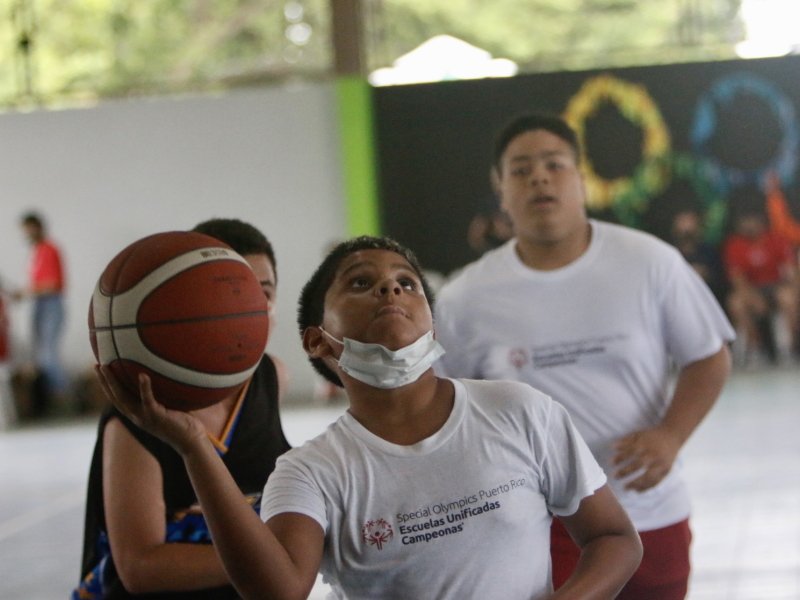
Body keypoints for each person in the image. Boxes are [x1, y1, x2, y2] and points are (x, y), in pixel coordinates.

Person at [100, 235, 643, 599]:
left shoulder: (518, 410)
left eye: (407, 282)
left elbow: (614, 538)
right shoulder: (309, 471)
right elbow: (280, 591)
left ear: (432, 322)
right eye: (361, 283)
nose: (391, 288)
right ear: (317, 341)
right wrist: (195, 448)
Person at [434, 114, 734, 599]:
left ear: (581, 178)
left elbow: (709, 356)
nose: (539, 177)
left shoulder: (649, 262)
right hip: (536, 522)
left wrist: (670, 436)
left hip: (649, 508)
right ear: (500, 189)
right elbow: (442, 404)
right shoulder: (466, 297)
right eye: (520, 169)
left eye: (555, 164)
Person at [74, 219, 291, 599]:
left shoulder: (272, 377)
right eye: (237, 290)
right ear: (194, 298)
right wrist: (273, 558)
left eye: (266, 291)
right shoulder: (141, 410)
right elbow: (141, 568)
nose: (255, 305)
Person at [722, 208, 799, 365]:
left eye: (753, 220)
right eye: (745, 221)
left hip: (777, 286)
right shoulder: (735, 245)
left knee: (788, 297)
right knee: (736, 303)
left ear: (762, 221)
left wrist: (793, 291)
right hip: (752, 289)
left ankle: (789, 348)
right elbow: (738, 281)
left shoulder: (777, 239)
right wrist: (754, 298)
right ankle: (755, 347)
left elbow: (791, 273)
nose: (749, 225)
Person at [12, 211, 69, 413]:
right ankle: (52, 400)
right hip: (40, 304)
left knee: (48, 355)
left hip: (50, 304)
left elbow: (52, 284)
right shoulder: (36, 252)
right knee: (41, 356)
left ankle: (63, 402)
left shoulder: (49, 249)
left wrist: (24, 291)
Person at [669, 208, 727, 305]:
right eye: (682, 221)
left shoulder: (710, 253)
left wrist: (706, 275)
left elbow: (722, 284)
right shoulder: (669, 254)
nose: (687, 227)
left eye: (690, 220)